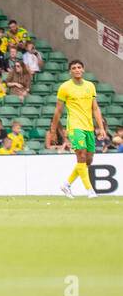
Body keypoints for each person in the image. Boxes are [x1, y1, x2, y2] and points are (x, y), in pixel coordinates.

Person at [51, 60, 108, 199]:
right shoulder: (65, 87)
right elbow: (58, 110)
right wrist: (53, 130)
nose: (76, 69)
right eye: (73, 68)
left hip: (88, 127)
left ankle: (66, 184)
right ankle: (90, 191)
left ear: (83, 69)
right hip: (75, 126)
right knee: (81, 155)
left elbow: (95, 108)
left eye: (79, 67)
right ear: (70, 71)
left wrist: (101, 128)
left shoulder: (90, 86)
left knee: (88, 160)